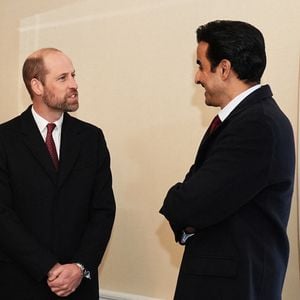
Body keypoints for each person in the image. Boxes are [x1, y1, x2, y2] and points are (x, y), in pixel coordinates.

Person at [160, 20, 295, 300]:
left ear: (223, 68)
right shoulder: (248, 119)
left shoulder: (256, 124)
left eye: (200, 65)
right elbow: (204, 198)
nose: (197, 77)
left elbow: (189, 204)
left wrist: (181, 204)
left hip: (233, 288)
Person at [0, 48, 115, 299]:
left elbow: (103, 210)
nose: (74, 84)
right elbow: (3, 216)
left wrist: (79, 267)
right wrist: (48, 268)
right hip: (20, 284)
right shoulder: (5, 140)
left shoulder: (91, 139)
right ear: (37, 86)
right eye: (63, 78)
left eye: (73, 75)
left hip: (79, 286)